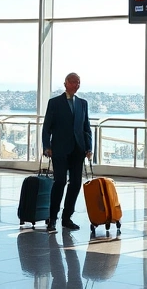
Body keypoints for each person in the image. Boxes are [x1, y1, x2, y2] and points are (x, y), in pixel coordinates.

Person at [43, 72, 93, 234]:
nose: (75, 85)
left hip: (78, 149)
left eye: (78, 82)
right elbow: (47, 127)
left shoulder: (82, 104)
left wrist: (89, 147)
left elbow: (86, 127)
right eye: (72, 82)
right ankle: (52, 218)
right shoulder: (55, 103)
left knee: (76, 183)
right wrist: (47, 146)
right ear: (65, 83)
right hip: (60, 149)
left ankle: (67, 217)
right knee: (59, 182)